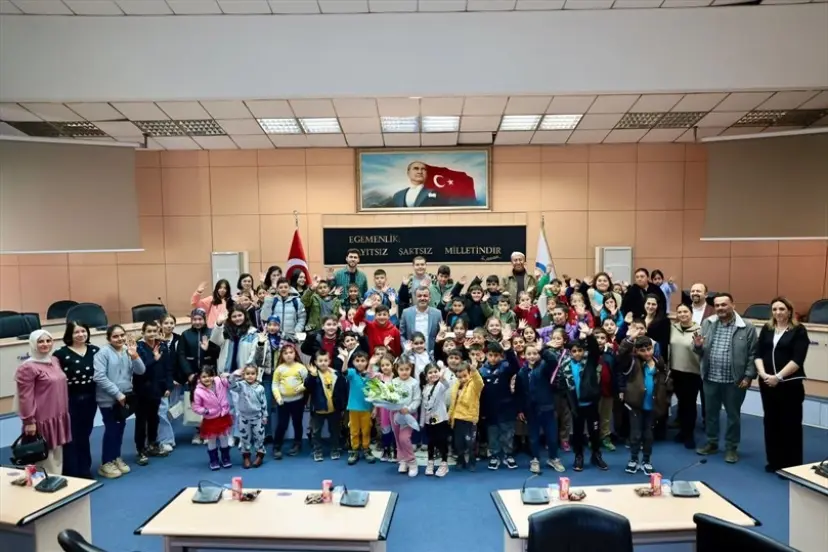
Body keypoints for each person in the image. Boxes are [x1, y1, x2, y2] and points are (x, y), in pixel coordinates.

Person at [693, 293, 758, 464]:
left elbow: (753, 354)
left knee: (733, 416)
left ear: (733, 305)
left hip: (734, 381)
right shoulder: (708, 323)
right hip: (710, 378)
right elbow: (699, 349)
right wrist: (697, 346)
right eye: (717, 305)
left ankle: (731, 448)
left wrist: (749, 376)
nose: (720, 308)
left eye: (724, 304)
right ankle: (712, 443)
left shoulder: (747, 327)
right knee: (711, 413)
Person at [755, 297, 810, 472]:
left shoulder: (798, 330)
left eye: (781, 309)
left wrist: (778, 377)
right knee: (771, 421)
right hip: (767, 383)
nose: (778, 312)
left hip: (789, 385)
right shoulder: (767, 328)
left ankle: (791, 466)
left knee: (790, 424)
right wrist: (763, 374)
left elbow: (797, 359)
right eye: (774, 309)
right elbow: (758, 353)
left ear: (789, 311)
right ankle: (774, 461)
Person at [93, 325, 146, 479]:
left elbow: (141, 370)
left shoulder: (127, 351)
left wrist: (134, 356)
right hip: (109, 399)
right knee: (112, 429)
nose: (120, 339)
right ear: (109, 338)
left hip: (125, 397)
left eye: (122, 335)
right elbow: (99, 377)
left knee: (120, 428)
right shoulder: (103, 353)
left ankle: (115, 457)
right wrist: (117, 394)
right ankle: (106, 463)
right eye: (115, 336)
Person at [16, 330, 71, 474]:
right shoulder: (27, 367)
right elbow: (25, 396)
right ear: (33, 344)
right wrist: (29, 421)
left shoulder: (54, 360)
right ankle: (45, 481)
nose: (45, 344)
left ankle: (56, 479)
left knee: (57, 451)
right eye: (40, 341)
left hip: (58, 414)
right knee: (44, 454)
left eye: (48, 340)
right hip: (41, 418)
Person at [558, 326, 609, 471]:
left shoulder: (590, 360)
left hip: (591, 404)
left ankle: (596, 455)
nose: (577, 353)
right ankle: (578, 456)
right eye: (574, 351)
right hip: (576, 406)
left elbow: (594, 349)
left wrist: (589, 335)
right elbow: (562, 385)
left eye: (580, 350)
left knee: (594, 432)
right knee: (578, 434)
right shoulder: (565, 365)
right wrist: (568, 400)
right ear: (570, 352)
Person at [618, 333, 669, 475]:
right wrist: (629, 339)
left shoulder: (659, 362)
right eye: (642, 350)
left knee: (648, 435)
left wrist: (664, 398)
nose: (647, 353)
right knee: (635, 434)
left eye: (649, 349)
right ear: (636, 351)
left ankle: (646, 460)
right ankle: (633, 459)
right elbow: (622, 354)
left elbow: (665, 380)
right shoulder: (632, 362)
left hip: (652, 405)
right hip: (636, 406)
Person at [55, 322, 99, 479]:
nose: (81, 335)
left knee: (85, 434)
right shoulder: (60, 354)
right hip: (70, 400)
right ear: (69, 335)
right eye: (76, 332)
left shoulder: (95, 351)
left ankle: (85, 469)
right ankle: (72, 471)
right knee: (71, 436)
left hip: (91, 399)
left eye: (83, 331)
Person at [515, 343, 565, 474]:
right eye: (529, 354)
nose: (532, 356)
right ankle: (535, 459)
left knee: (552, 436)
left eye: (535, 353)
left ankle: (553, 458)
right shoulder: (521, 372)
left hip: (547, 408)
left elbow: (553, 361)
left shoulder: (544, 367)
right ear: (524, 355)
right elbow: (519, 393)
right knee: (533, 437)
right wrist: (520, 409)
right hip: (531, 410)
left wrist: (542, 350)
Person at [176, 309, 221, 445]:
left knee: (210, 403)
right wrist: (189, 373)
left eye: (200, 319)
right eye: (195, 319)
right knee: (197, 404)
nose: (197, 322)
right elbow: (181, 355)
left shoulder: (212, 332)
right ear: (191, 320)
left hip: (209, 375)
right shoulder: (185, 335)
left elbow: (218, 352)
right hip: (193, 375)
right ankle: (198, 431)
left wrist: (208, 349)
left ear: (204, 319)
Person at [134, 320, 173, 466]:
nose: (152, 334)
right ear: (143, 333)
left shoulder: (162, 346)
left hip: (158, 388)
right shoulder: (138, 348)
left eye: (154, 331)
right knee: (141, 420)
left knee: (154, 418)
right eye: (149, 331)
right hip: (142, 389)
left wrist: (168, 385)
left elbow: (168, 367)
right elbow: (140, 369)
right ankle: (140, 449)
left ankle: (152, 444)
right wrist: (154, 359)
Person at [479, 334, 521, 470]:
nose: (493, 358)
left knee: (507, 432)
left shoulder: (505, 367)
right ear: (486, 355)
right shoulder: (481, 371)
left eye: (496, 355)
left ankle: (508, 455)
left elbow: (516, 367)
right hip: (490, 409)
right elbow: (480, 393)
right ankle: (494, 456)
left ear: (501, 356)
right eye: (490, 355)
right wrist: (482, 411)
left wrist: (509, 350)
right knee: (493, 434)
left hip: (506, 407)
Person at [669, 304, 702, 449]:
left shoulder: (699, 329)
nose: (682, 314)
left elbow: (703, 352)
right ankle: (682, 431)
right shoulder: (672, 328)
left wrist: (699, 346)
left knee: (689, 404)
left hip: (692, 372)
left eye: (685, 311)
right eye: (680, 312)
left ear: (691, 313)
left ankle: (689, 435)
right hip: (675, 371)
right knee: (681, 403)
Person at [305, 350, 347, 462]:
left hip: (334, 409)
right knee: (316, 432)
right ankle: (317, 451)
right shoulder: (313, 375)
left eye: (325, 360)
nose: (323, 363)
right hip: (318, 409)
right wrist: (312, 375)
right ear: (315, 362)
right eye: (320, 361)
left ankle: (335, 449)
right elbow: (308, 386)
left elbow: (342, 390)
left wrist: (342, 406)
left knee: (335, 431)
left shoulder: (336, 374)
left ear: (329, 361)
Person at [190, 367, 233, 471]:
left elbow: (231, 384)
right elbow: (196, 407)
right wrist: (206, 411)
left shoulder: (220, 381)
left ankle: (226, 458)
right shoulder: (198, 391)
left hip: (223, 416)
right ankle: (214, 460)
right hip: (211, 419)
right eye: (204, 377)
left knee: (224, 437)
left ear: (214, 375)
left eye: (210, 376)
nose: (207, 378)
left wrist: (229, 377)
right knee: (212, 439)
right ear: (199, 378)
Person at [270, 342, 308, 459]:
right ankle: (277, 446)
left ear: (295, 353)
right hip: (283, 402)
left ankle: (297, 444)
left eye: (291, 352)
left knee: (297, 423)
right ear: (282, 355)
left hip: (298, 401)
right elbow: (275, 385)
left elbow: (307, 382)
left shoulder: (301, 368)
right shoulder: (279, 369)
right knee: (282, 424)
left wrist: (301, 387)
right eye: (285, 353)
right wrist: (278, 398)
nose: (288, 355)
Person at [249, 316, 282, 444]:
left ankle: (280, 435)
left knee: (280, 407)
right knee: (266, 406)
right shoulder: (261, 338)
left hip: (281, 377)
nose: (273, 327)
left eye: (275, 325)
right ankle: (266, 434)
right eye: (270, 324)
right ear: (266, 326)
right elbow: (257, 360)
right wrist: (261, 344)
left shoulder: (283, 340)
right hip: (267, 377)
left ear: (279, 326)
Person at [229, 366, 268, 469]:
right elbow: (232, 386)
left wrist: (264, 415)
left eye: (252, 374)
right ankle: (246, 457)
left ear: (256, 375)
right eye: (247, 374)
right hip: (244, 417)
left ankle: (260, 455)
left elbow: (264, 403)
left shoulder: (260, 388)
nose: (250, 376)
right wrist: (233, 376)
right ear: (243, 375)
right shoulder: (241, 385)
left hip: (257, 417)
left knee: (259, 437)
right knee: (244, 438)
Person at [449, 358, 484, 471]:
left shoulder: (474, 385)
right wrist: (450, 416)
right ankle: (461, 460)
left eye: (465, 376)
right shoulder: (456, 385)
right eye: (459, 377)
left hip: (469, 419)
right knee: (458, 442)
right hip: (457, 419)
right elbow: (453, 403)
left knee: (471, 442)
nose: (462, 379)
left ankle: (472, 461)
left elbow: (480, 383)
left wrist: (474, 371)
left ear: (469, 373)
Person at [391, 361, 422, 477]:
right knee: (398, 439)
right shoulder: (393, 382)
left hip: (409, 415)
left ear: (411, 369)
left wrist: (409, 409)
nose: (404, 372)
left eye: (407, 369)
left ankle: (412, 462)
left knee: (404, 438)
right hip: (394, 414)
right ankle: (403, 460)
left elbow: (417, 399)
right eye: (401, 369)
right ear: (397, 369)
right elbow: (389, 397)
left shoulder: (414, 383)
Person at [344, 350, 375, 465]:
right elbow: (344, 371)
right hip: (353, 408)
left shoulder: (370, 374)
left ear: (367, 362)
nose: (360, 363)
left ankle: (366, 449)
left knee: (366, 430)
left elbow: (373, 388)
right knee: (354, 431)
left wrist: (371, 365)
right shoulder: (352, 373)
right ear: (353, 362)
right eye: (357, 360)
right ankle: (355, 450)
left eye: (363, 361)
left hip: (366, 408)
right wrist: (345, 358)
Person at [420, 364, 452, 477]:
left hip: (441, 419)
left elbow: (447, 385)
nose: (433, 374)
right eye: (430, 372)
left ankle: (444, 463)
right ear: (426, 376)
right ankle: (430, 462)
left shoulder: (440, 385)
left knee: (442, 441)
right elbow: (424, 406)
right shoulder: (425, 388)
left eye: (435, 372)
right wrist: (422, 421)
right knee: (431, 442)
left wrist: (442, 377)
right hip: (429, 421)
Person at [157, 314, 181, 453]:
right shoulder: (156, 340)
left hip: (176, 380)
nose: (169, 326)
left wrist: (177, 379)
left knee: (173, 410)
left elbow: (181, 359)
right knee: (162, 410)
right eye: (166, 323)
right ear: (160, 325)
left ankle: (167, 436)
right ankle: (165, 440)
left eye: (172, 323)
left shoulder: (179, 339)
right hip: (162, 381)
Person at [399, 286, 443, 353]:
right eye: (419, 296)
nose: (422, 298)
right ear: (415, 298)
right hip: (412, 353)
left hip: (431, 353)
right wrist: (406, 347)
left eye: (425, 296)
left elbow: (441, 333)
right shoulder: (406, 313)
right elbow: (401, 335)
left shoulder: (437, 314)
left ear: (429, 298)